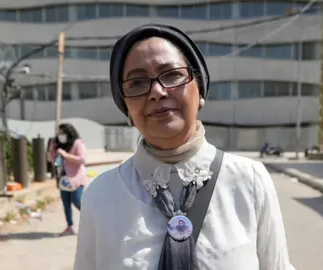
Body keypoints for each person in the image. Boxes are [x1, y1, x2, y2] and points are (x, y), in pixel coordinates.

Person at [73, 24, 294, 270]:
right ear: (126, 108)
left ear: (200, 90)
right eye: (136, 83)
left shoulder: (249, 181)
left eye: (171, 74)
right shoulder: (101, 194)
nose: (156, 91)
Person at [48, 123, 88, 236]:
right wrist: (52, 147)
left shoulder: (77, 143)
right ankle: (70, 226)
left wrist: (66, 155)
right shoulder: (58, 145)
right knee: (66, 203)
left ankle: (94, 218)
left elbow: (82, 159)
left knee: (76, 200)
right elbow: (50, 159)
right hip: (62, 179)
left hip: (76, 178)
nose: (60, 136)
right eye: (59, 133)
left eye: (62, 133)